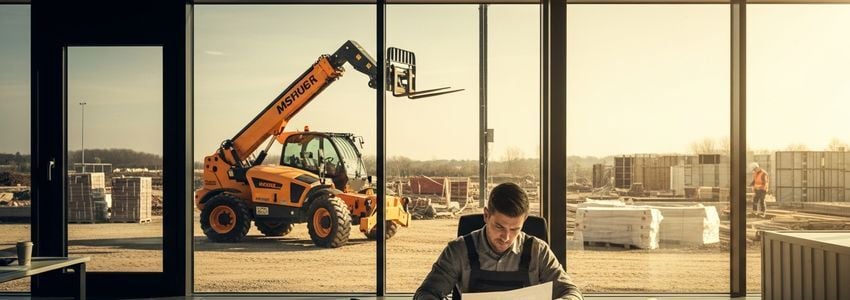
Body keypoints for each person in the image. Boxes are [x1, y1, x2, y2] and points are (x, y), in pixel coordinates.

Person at [414, 182, 583, 300]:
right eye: (500, 227)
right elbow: (426, 292)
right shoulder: (458, 250)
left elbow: (572, 292)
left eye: (515, 229)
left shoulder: (538, 251)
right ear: (486, 215)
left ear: (524, 222)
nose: (506, 237)